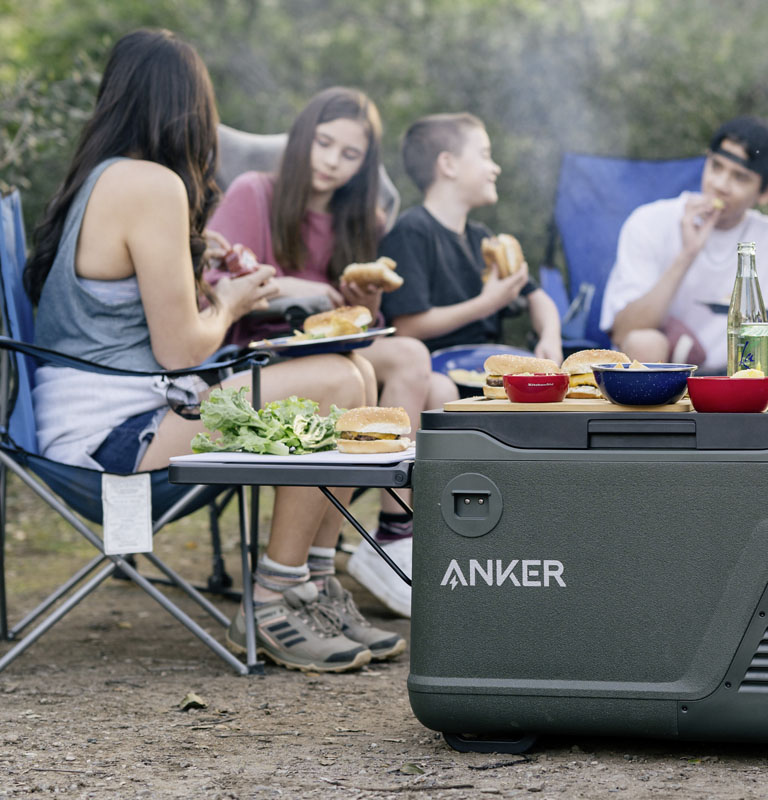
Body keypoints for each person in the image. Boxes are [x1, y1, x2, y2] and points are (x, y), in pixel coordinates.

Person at [25, 29, 404, 672]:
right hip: (115, 438)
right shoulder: (151, 185)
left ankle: (311, 585)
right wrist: (232, 302)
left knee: (358, 371)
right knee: (338, 383)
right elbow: (181, 351)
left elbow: (131, 308)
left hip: (114, 418)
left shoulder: (107, 178)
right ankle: (275, 600)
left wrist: (197, 262)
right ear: (187, 108)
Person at [208, 87, 435, 618]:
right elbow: (209, 279)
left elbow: (367, 329)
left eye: (349, 154)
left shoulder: (365, 224)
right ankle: (321, 562)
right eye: (323, 143)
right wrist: (287, 287)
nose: (332, 161)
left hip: (336, 358)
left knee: (410, 358)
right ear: (302, 139)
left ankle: (395, 532)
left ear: (364, 166)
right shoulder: (254, 192)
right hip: (256, 356)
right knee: (352, 372)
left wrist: (367, 305)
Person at [598, 116, 768, 398]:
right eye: (716, 167)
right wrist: (687, 254)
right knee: (644, 342)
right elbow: (624, 331)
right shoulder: (650, 221)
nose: (720, 184)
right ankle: (658, 440)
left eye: (740, 177)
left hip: (759, 379)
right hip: (677, 383)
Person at [378, 112, 564, 404]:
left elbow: (536, 297)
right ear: (448, 164)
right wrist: (486, 304)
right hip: (434, 373)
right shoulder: (412, 231)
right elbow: (407, 327)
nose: (495, 168)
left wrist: (550, 337)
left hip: (486, 373)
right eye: (485, 155)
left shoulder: (484, 240)